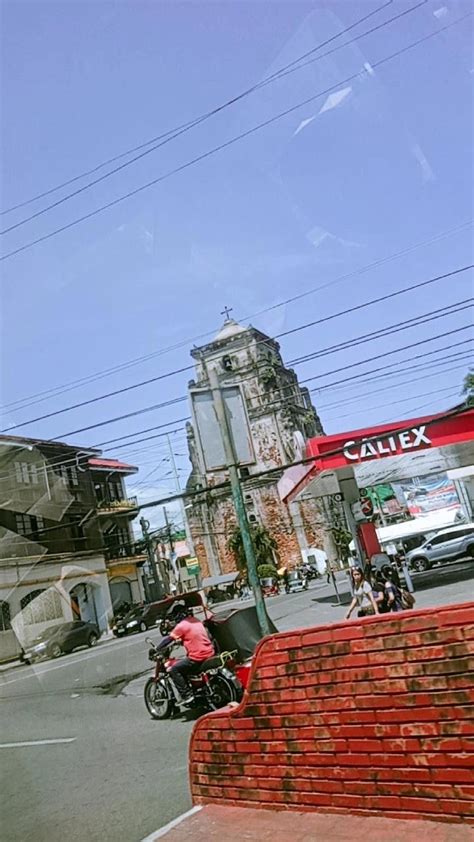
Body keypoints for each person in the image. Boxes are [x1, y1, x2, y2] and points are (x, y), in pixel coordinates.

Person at [154, 604, 215, 704]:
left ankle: (186, 695)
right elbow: (193, 636)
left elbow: (169, 639)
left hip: (198, 657)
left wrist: (157, 649)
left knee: (174, 669)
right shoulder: (195, 620)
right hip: (210, 652)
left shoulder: (182, 625)